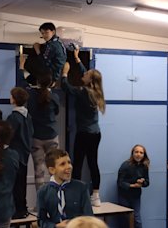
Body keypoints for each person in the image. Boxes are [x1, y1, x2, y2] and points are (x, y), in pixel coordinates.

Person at [61, 47, 105, 206]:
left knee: (78, 163)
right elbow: (87, 73)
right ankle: (96, 195)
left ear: (90, 80)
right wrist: (77, 59)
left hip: (84, 134)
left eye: (85, 75)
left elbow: (66, 87)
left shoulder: (82, 91)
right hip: (95, 133)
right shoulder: (97, 91)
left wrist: (65, 72)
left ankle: (77, 195)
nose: (83, 74)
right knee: (93, 162)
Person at [37, 148, 93, 228]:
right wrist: (56, 226)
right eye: (63, 164)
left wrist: (73, 225)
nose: (69, 167)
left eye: (69, 162)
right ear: (52, 170)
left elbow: (89, 217)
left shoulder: (81, 187)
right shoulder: (43, 192)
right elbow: (42, 221)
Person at [19, 53, 60, 193]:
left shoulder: (30, 95)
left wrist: (21, 66)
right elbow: (56, 112)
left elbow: (21, 83)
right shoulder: (54, 97)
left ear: (37, 81)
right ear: (51, 83)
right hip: (52, 135)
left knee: (39, 170)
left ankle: (41, 204)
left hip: (36, 137)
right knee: (54, 169)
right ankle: (55, 201)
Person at [6, 86, 34, 218]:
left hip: (14, 154)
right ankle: (22, 208)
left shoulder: (14, 117)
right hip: (24, 153)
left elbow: (8, 135)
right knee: (21, 182)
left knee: (15, 183)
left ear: (14, 99)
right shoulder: (27, 116)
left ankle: (18, 209)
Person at [117, 144, 150, 228]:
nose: (138, 154)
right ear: (132, 153)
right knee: (124, 218)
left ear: (144, 155)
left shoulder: (144, 166)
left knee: (136, 218)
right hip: (124, 196)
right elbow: (120, 182)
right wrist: (132, 186)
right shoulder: (125, 165)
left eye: (141, 152)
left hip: (136, 196)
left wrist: (143, 182)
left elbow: (147, 182)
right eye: (136, 152)